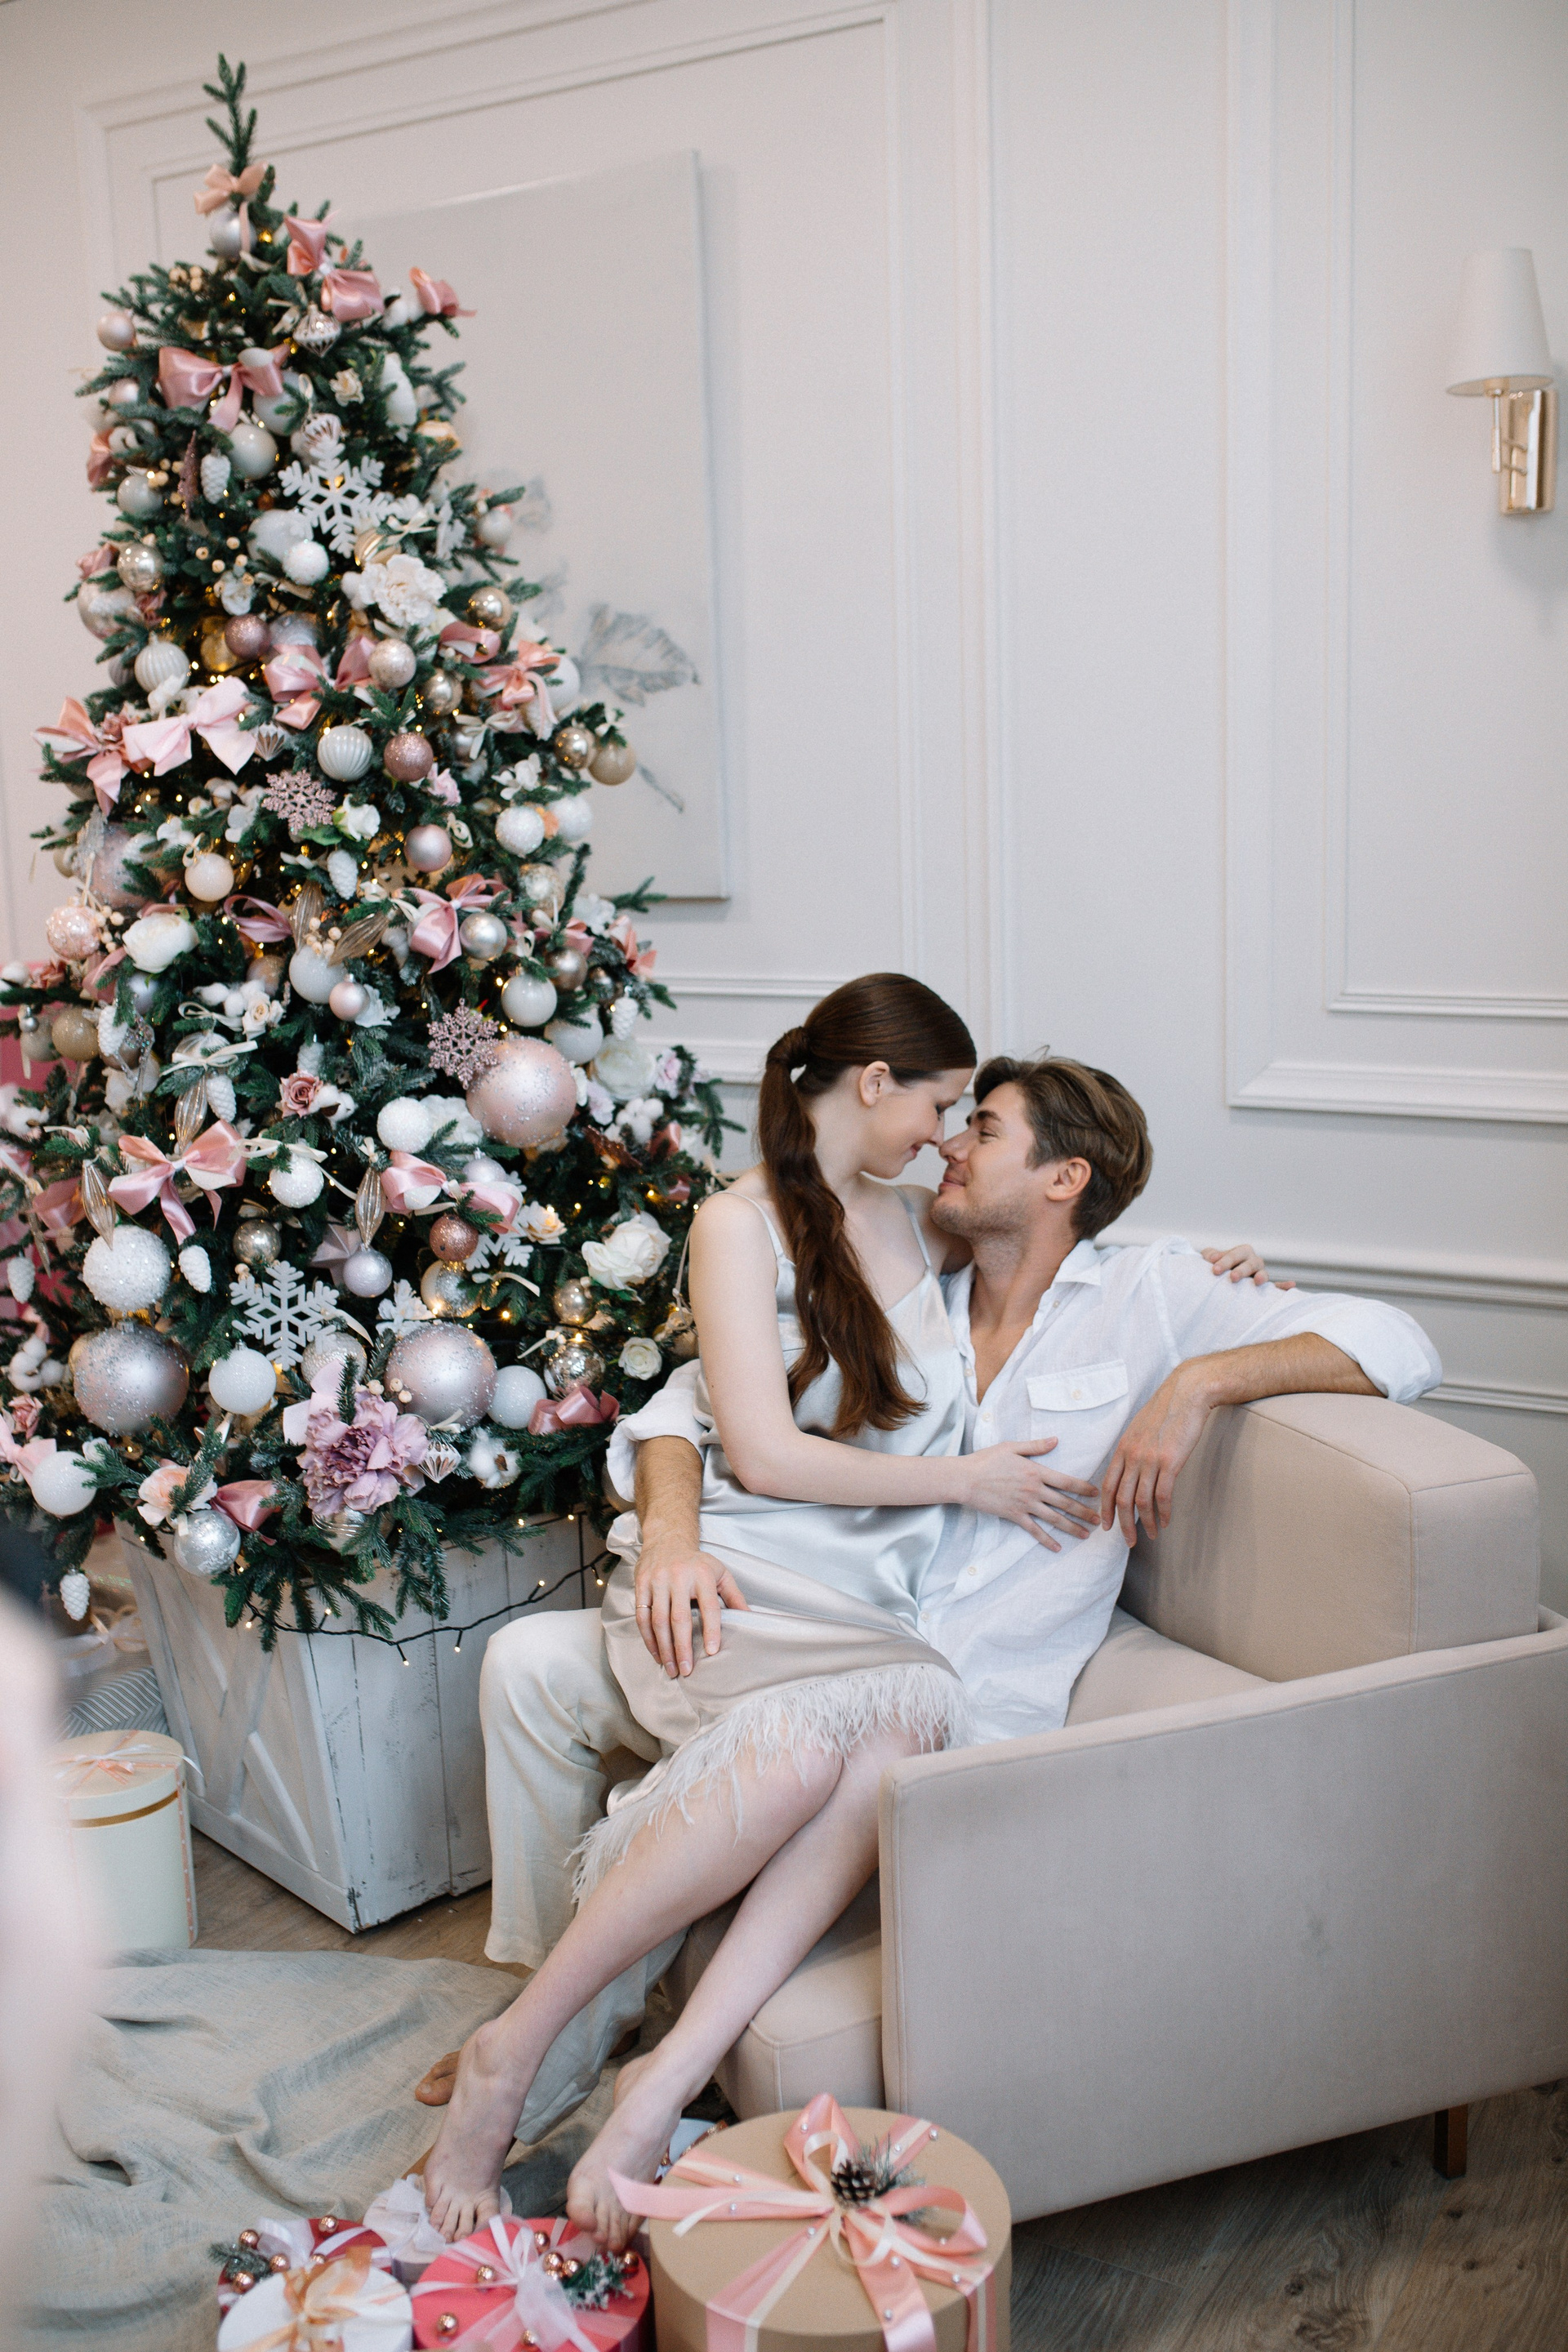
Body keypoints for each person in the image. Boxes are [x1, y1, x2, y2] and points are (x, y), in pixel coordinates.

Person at [421, 978, 1391, 2245]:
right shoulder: (912, 1246)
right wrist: (670, 1531)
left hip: (937, 1673)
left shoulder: (1149, 1294)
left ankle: (617, 2074)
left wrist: (1198, 1383)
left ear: (1063, 1180)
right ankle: (558, 2051)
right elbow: (697, 1409)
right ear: (875, 1086)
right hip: (819, 1605)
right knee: (820, 1703)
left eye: (980, 1128)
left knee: (894, 1715)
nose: (948, 1144)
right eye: (950, 1112)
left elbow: (1390, 1337)